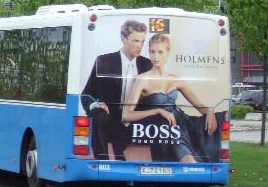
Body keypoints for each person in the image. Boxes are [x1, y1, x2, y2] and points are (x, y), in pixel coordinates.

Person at [122, 34, 218, 162]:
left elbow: (200, 107)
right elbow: (126, 115)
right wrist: (158, 111)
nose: (155, 56)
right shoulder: (143, 79)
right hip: (160, 128)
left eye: (160, 52)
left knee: (223, 116)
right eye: (152, 52)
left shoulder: (176, 79)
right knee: (188, 159)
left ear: (168, 54)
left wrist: (210, 111)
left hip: (181, 124)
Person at [81, 20, 152, 160]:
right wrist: (95, 104)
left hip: (136, 123)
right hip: (110, 119)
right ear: (123, 38)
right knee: (97, 115)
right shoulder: (104, 62)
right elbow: (86, 94)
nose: (139, 46)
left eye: (142, 42)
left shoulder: (147, 64)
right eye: (135, 41)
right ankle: (102, 163)